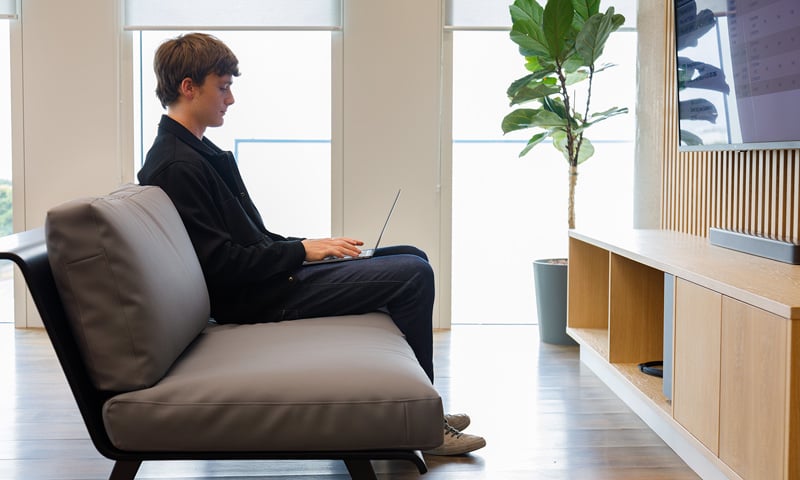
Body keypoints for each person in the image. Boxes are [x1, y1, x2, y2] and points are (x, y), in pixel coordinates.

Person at [137, 32, 485, 456]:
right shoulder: (177, 164)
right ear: (188, 87)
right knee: (414, 275)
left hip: (269, 279)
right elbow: (221, 265)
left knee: (411, 255)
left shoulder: (198, 153)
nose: (230, 99)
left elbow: (252, 238)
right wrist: (302, 252)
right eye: (223, 87)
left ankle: (418, 406)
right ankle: (425, 427)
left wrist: (309, 244)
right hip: (255, 298)